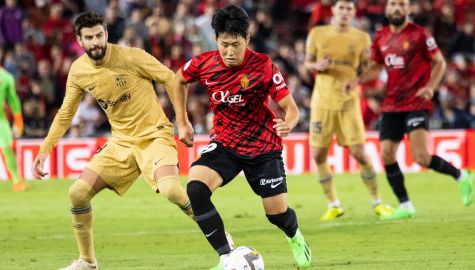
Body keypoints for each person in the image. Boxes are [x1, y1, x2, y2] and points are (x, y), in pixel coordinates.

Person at [31, 12, 193, 270]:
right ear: (79, 40)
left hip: (154, 136)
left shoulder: (132, 56)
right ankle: (87, 262)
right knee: (77, 194)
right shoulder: (79, 71)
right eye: (89, 38)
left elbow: (172, 79)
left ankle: (222, 239)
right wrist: (44, 151)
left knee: (173, 191)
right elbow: (65, 114)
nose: (95, 42)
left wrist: (182, 121)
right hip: (121, 143)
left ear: (106, 33)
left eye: (99, 35)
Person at [173, 5, 311, 269]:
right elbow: (179, 80)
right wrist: (182, 120)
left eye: (236, 44)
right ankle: (226, 256)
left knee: (277, 214)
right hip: (225, 142)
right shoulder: (204, 63)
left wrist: (289, 124)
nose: (229, 51)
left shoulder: (263, 66)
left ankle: (294, 235)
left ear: (247, 39)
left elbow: (291, 109)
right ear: (216, 40)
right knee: (196, 188)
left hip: (263, 146)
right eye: (224, 44)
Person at [349, 0, 474, 220]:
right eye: (393, 4)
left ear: (408, 9)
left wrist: (430, 87)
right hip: (391, 104)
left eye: (401, 4)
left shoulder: (420, 34)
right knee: (386, 154)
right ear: (387, 9)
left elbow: (440, 63)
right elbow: (376, 67)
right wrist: (356, 81)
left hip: (416, 101)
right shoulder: (381, 37)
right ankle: (406, 205)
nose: (396, 8)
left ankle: (461, 175)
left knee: (421, 157)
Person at [305, 0, 393, 221]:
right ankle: (334, 204)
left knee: (359, 153)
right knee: (317, 154)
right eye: (341, 8)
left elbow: (374, 67)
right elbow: (307, 63)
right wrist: (316, 66)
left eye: (349, 9)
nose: (345, 12)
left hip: (348, 102)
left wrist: (357, 81)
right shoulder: (317, 33)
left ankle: (377, 202)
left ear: (354, 12)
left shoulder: (361, 38)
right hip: (322, 101)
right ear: (333, 10)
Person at [0, 63, 25, 192]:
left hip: (1, 121)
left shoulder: (6, 77)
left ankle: (17, 180)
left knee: (8, 149)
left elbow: (13, 100)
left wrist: (18, 120)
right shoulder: (6, 77)